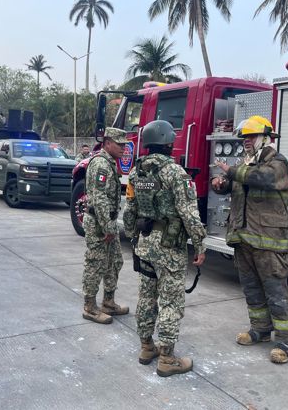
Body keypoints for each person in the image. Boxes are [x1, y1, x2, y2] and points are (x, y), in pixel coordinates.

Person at [210, 115, 288, 364]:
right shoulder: (246, 163)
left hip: (268, 240)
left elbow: (263, 179)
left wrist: (233, 171)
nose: (246, 142)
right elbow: (235, 184)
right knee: (251, 289)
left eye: (250, 137)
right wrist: (220, 184)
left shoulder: (277, 163)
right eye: (244, 138)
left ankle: (286, 340)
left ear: (266, 138)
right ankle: (260, 329)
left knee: (275, 290)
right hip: (244, 238)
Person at [123, 120, 206, 377]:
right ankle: (167, 358)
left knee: (147, 297)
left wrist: (131, 236)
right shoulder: (176, 174)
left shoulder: (137, 174)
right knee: (170, 301)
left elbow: (130, 210)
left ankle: (147, 347)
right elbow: (189, 214)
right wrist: (200, 244)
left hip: (145, 245)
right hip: (169, 248)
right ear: (169, 143)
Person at [82, 127, 128, 324]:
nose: (124, 149)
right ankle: (90, 307)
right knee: (96, 264)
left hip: (107, 222)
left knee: (115, 261)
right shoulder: (101, 164)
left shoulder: (109, 163)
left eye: (125, 145)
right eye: (120, 144)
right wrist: (108, 228)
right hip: (99, 224)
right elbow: (99, 198)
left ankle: (108, 302)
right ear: (108, 143)